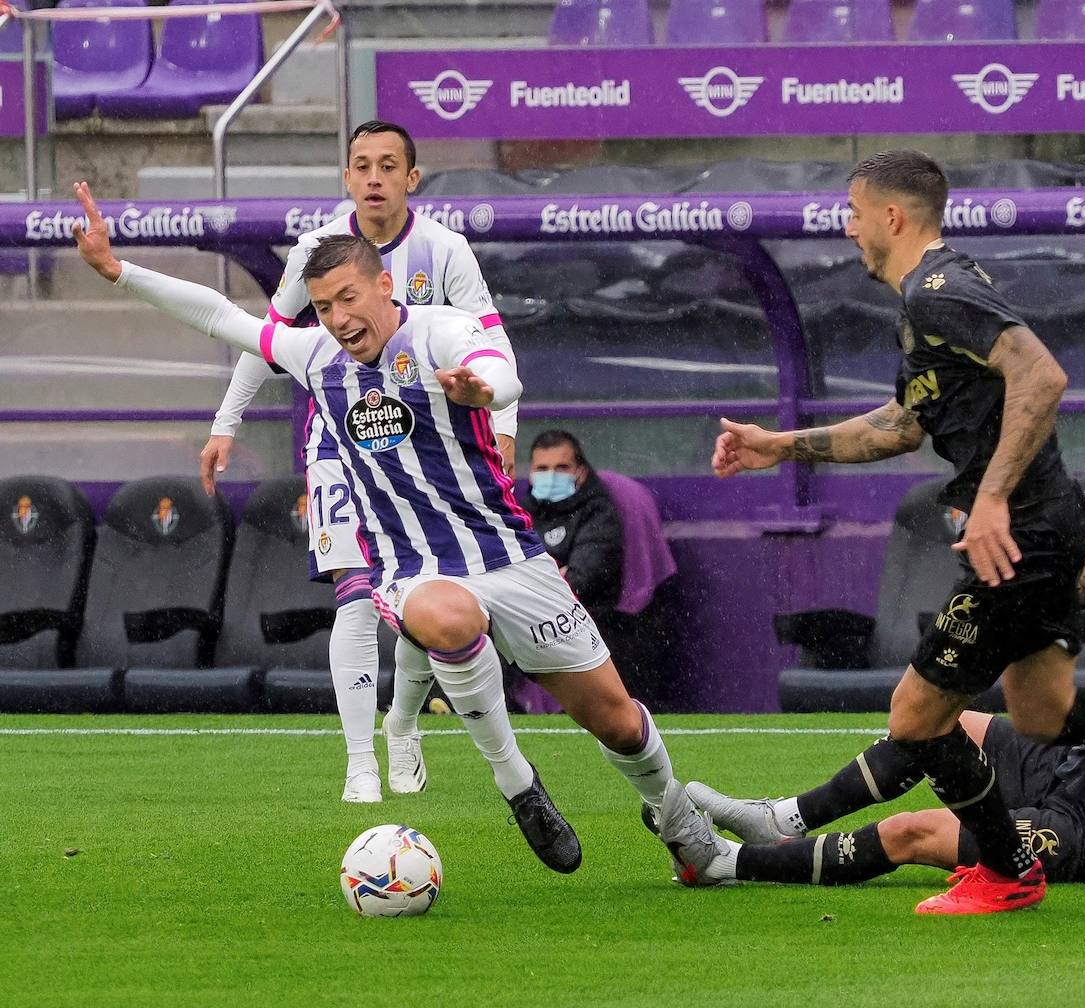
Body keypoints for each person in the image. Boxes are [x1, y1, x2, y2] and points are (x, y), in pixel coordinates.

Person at [696, 149, 1085, 915]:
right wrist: (780, 445)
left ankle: (1005, 872)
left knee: (916, 716)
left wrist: (994, 495)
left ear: (892, 218)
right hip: (1048, 525)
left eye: (855, 213)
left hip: (1026, 532)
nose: (848, 226)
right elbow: (902, 426)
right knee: (1045, 714)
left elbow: (1043, 375)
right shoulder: (930, 300)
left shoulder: (938, 290)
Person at [72, 184, 676, 877]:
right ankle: (515, 784)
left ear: (384, 285)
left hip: (509, 555)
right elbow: (219, 316)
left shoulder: (437, 329)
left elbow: (494, 364)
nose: (336, 317)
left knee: (620, 723)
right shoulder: (313, 356)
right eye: (323, 306)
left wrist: (486, 389)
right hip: (412, 568)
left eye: (348, 298)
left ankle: (687, 830)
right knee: (435, 618)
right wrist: (120, 272)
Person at [664, 488, 1085, 895]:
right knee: (941, 722)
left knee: (911, 832)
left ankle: (728, 863)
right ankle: (782, 819)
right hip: (1079, 772)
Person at [198, 120, 518, 804]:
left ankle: (401, 723)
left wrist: (504, 424)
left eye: (387, 165)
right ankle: (359, 763)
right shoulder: (317, 249)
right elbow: (267, 337)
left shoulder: (445, 249)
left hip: (432, 449)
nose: (373, 177)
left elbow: (492, 339)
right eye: (360, 165)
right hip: (342, 442)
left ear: (411, 178)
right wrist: (227, 422)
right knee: (354, 595)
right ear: (346, 178)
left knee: (418, 601)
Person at [522, 430, 625, 615]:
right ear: (531, 473)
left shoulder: (598, 512)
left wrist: (529, 585)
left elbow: (581, 580)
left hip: (590, 621)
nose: (551, 476)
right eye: (542, 469)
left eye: (562, 467)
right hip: (531, 619)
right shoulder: (521, 513)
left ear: (581, 472)